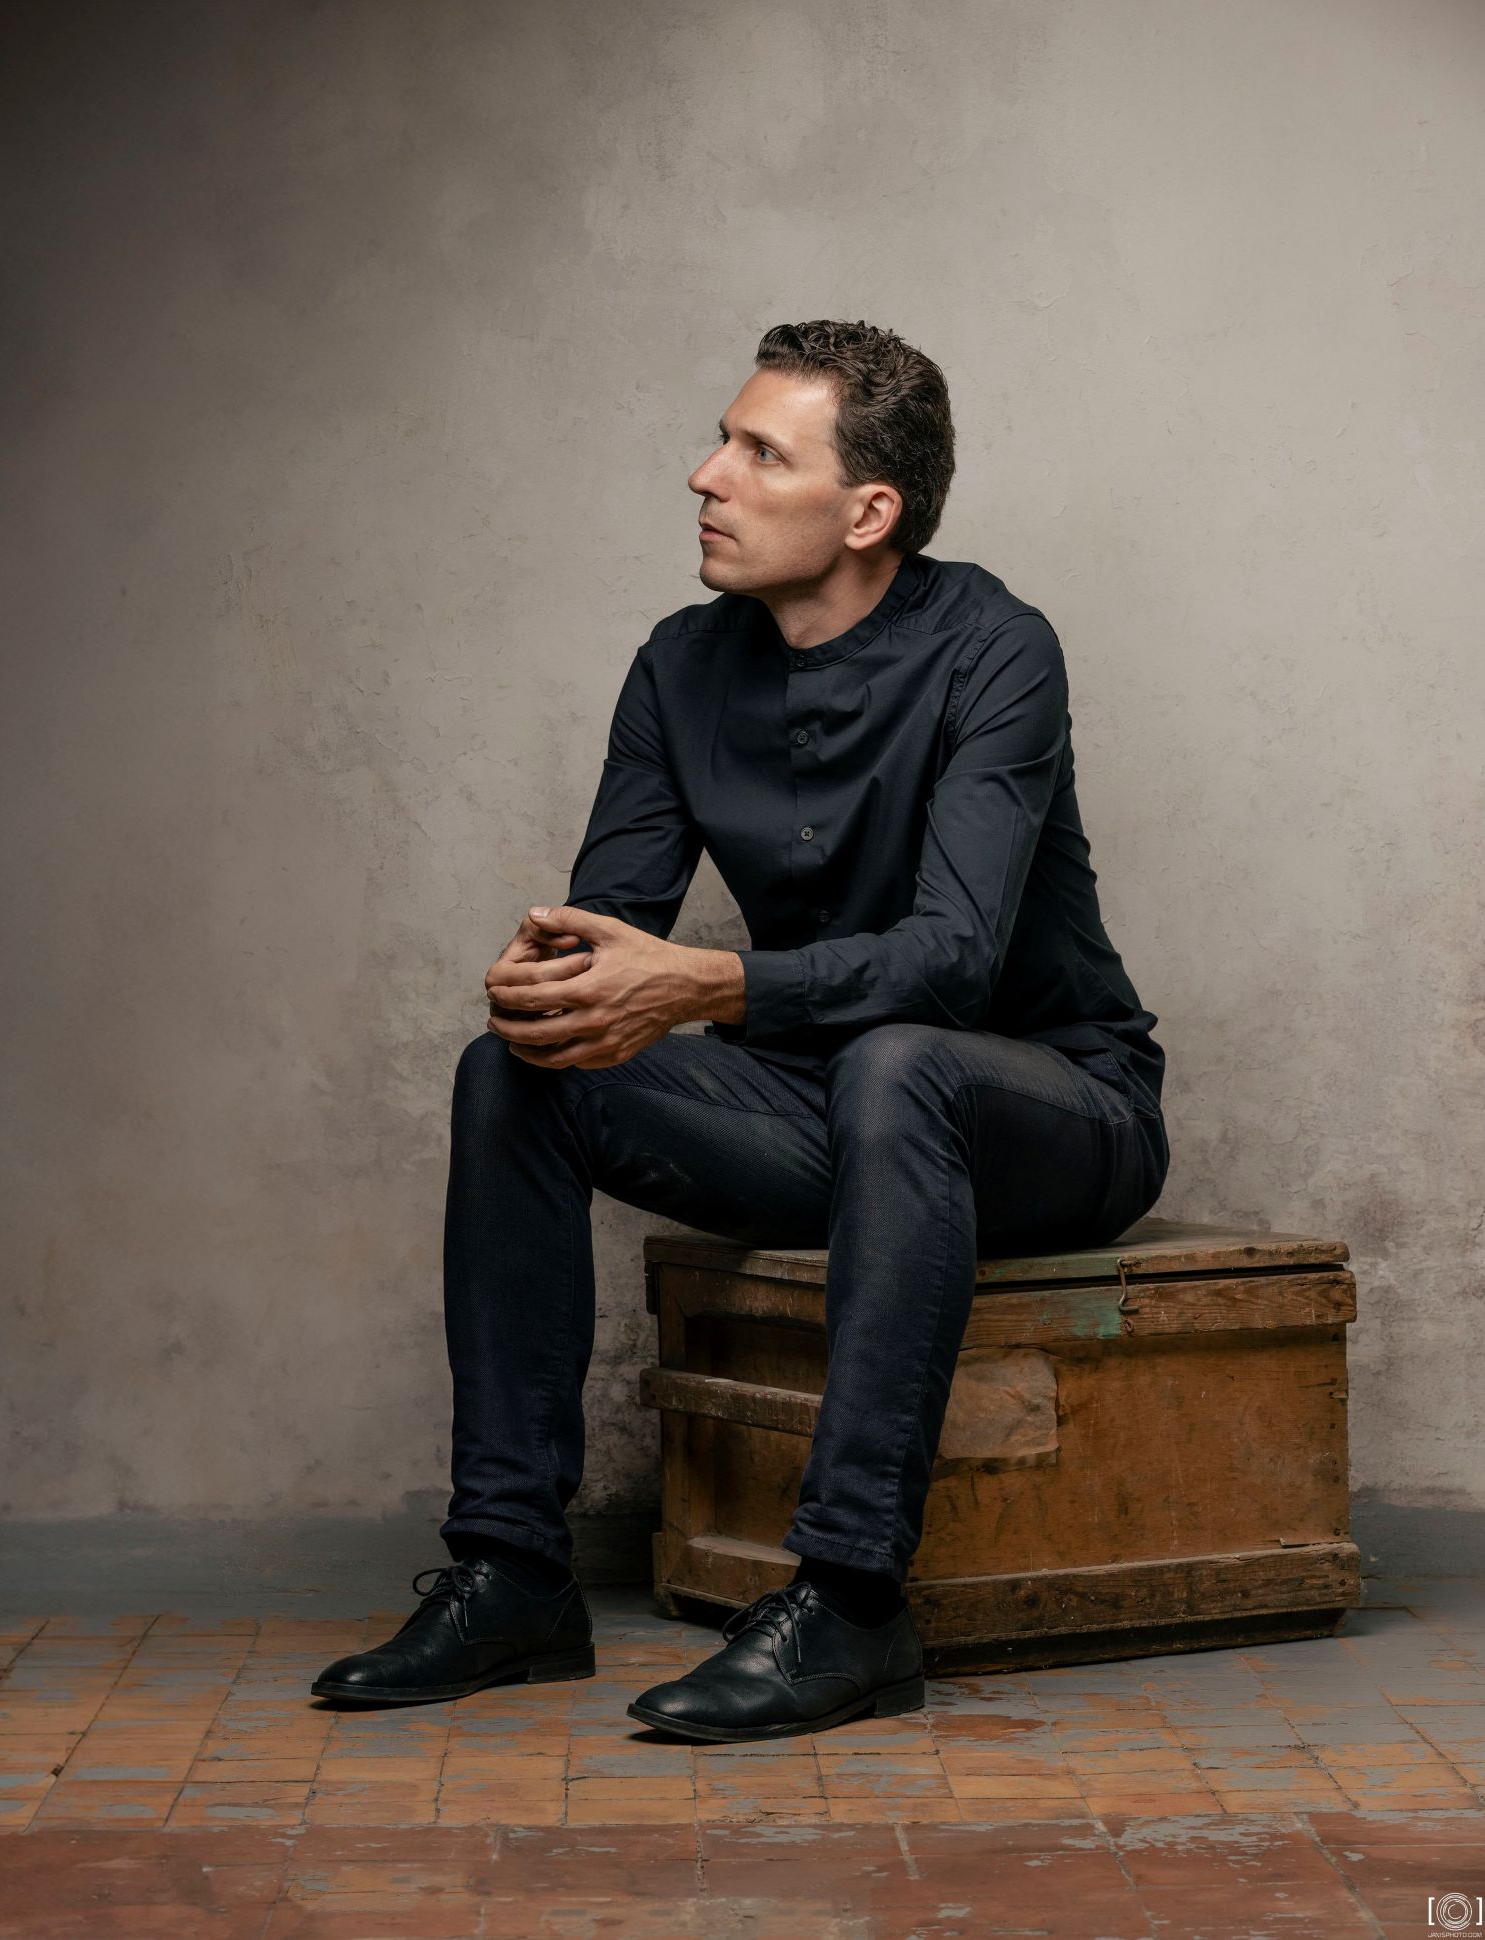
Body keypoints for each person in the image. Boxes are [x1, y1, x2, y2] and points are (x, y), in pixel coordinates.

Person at [312, 319, 1170, 1742]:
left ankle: (850, 1601)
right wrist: (549, 982)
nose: (706, 474)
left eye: (761, 453)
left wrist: (704, 987)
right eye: (723, 440)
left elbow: (954, 964)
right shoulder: (678, 665)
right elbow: (613, 931)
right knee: (514, 1074)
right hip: (821, 1113)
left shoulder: (998, 649)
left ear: (867, 512)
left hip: (1052, 1110)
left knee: (901, 1063)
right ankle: (513, 1573)